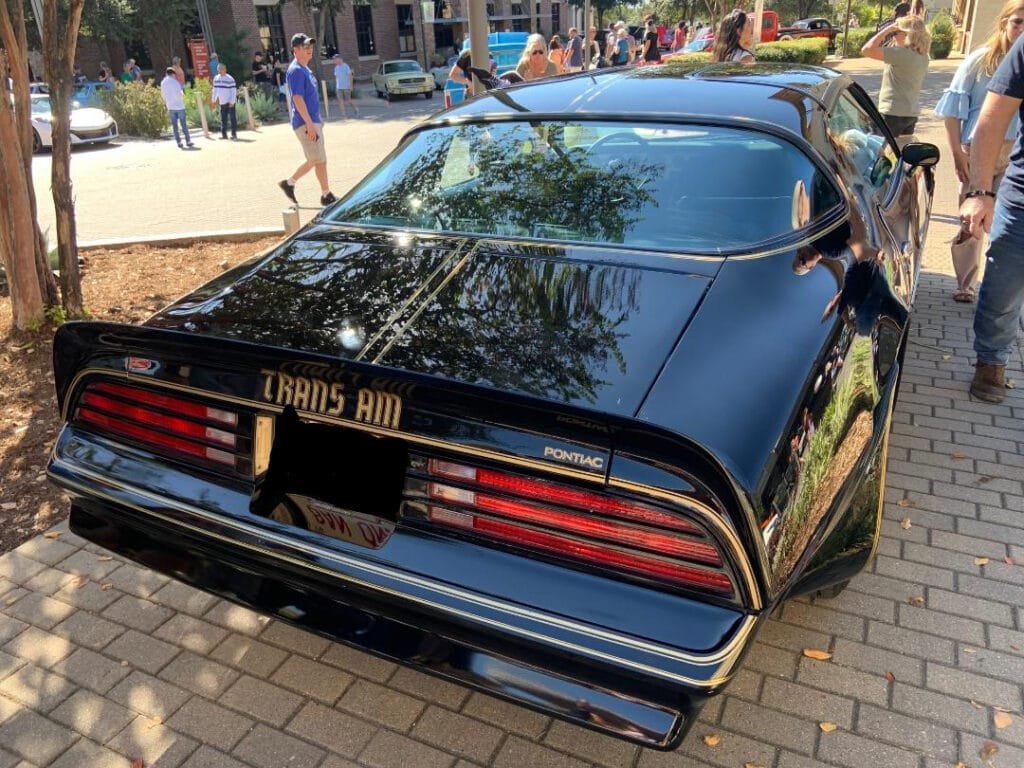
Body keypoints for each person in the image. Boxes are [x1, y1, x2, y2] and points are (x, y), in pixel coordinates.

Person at [935, 0, 1023, 303]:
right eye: (1017, 22)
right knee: (971, 219)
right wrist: (957, 154)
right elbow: (951, 111)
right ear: (1004, 23)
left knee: (1007, 222)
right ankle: (965, 283)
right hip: (978, 150)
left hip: (1016, 153)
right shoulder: (980, 61)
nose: (1021, 30)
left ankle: (999, 288)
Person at [959, 8, 1024, 403]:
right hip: (1022, 201)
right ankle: (991, 362)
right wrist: (980, 191)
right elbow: (992, 118)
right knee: (1003, 288)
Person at [279, 33, 336, 207]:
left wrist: (317, 119)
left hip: (311, 121)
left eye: (310, 46)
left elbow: (309, 98)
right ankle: (325, 195)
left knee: (317, 158)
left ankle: (291, 184)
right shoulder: (296, 70)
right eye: (305, 46)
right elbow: (297, 98)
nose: (309, 49)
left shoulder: (306, 69)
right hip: (305, 123)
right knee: (318, 159)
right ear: (295, 50)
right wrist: (310, 125)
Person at [861, 16, 930, 141]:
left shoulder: (901, 54)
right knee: (901, 148)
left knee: (880, 149)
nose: (893, 36)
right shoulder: (923, 55)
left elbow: (866, 50)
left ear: (907, 34)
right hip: (910, 113)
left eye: (895, 32)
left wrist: (886, 30)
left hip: (892, 113)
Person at [160, 66, 193, 149]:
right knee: (183, 125)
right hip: (179, 106)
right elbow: (180, 93)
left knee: (175, 126)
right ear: (173, 74)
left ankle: (179, 142)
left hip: (170, 107)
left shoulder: (163, 83)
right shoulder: (175, 82)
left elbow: (163, 95)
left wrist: (166, 103)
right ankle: (188, 141)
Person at [210, 62, 238, 140]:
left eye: (222, 69)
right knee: (223, 118)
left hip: (229, 101)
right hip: (222, 101)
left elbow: (233, 91)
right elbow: (215, 90)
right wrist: (213, 99)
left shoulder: (230, 79)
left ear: (225, 69)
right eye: (219, 69)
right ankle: (224, 135)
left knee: (232, 118)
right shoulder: (216, 78)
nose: (220, 70)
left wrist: (232, 101)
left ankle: (234, 134)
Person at [333, 53, 358, 118]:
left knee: (348, 100)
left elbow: (350, 76)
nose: (334, 61)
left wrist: (351, 85)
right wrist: (336, 86)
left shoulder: (345, 66)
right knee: (340, 100)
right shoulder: (336, 68)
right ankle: (343, 114)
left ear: (339, 59)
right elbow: (337, 77)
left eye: (335, 59)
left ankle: (356, 109)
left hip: (346, 86)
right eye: (334, 59)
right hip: (339, 87)